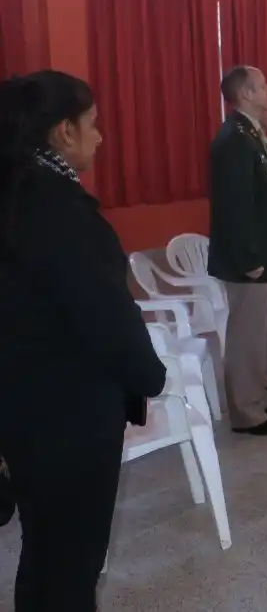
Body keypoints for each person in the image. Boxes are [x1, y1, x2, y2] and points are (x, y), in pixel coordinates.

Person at [0, 71, 166, 612]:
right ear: (63, 132)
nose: (100, 136)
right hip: (66, 415)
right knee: (71, 563)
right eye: (92, 125)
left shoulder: (18, 195)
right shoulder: (59, 211)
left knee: (43, 551)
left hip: (24, 410)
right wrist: (149, 376)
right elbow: (105, 316)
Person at [209, 66, 267, 437]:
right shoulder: (234, 139)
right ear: (246, 94)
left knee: (260, 330)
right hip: (248, 257)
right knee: (245, 333)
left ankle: (259, 392)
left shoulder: (249, 135)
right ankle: (246, 412)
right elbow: (235, 207)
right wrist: (249, 259)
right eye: (263, 87)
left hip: (265, 251)